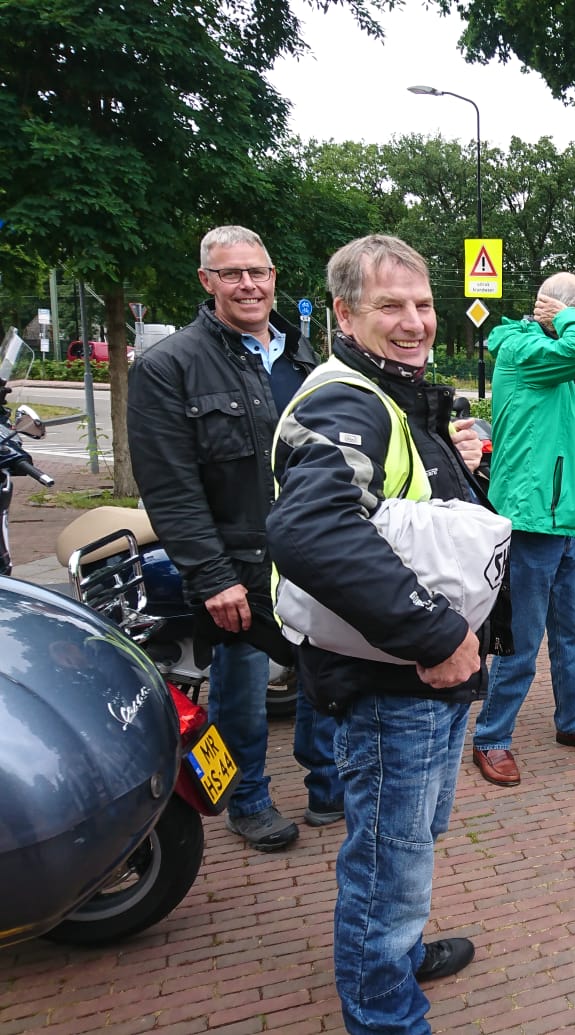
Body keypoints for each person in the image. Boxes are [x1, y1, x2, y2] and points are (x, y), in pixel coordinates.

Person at [266, 234, 492, 1035]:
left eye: (423, 304)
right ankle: (386, 1012)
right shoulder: (345, 399)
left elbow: (413, 521)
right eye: (390, 305)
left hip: (422, 681)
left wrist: (466, 468)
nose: (414, 321)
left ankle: (394, 955)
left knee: (412, 843)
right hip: (393, 681)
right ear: (344, 313)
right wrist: (435, 634)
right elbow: (311, 526)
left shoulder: (397, 393)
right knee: (386, 865)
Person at [129, 225, 337, 851]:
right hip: (237, 565)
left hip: (313, 554)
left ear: (275, 278)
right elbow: (171, 488)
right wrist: (212, 576)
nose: (248, 284)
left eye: (259, 272)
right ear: (207, 282)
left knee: (324, 673)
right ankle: (245, 797)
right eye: (231, 274)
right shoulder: (169, 366)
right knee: (239, 693)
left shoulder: (307, 359)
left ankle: (327, 784)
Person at [470, 273, 575, 787]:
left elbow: (564, 447)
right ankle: (491, 737)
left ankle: (571, 721)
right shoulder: (527, 350)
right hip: (531, 521)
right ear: (559, 312)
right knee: (522, 639)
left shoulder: (550, 359)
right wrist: (568, 318)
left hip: (559, 523)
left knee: (571, 632)